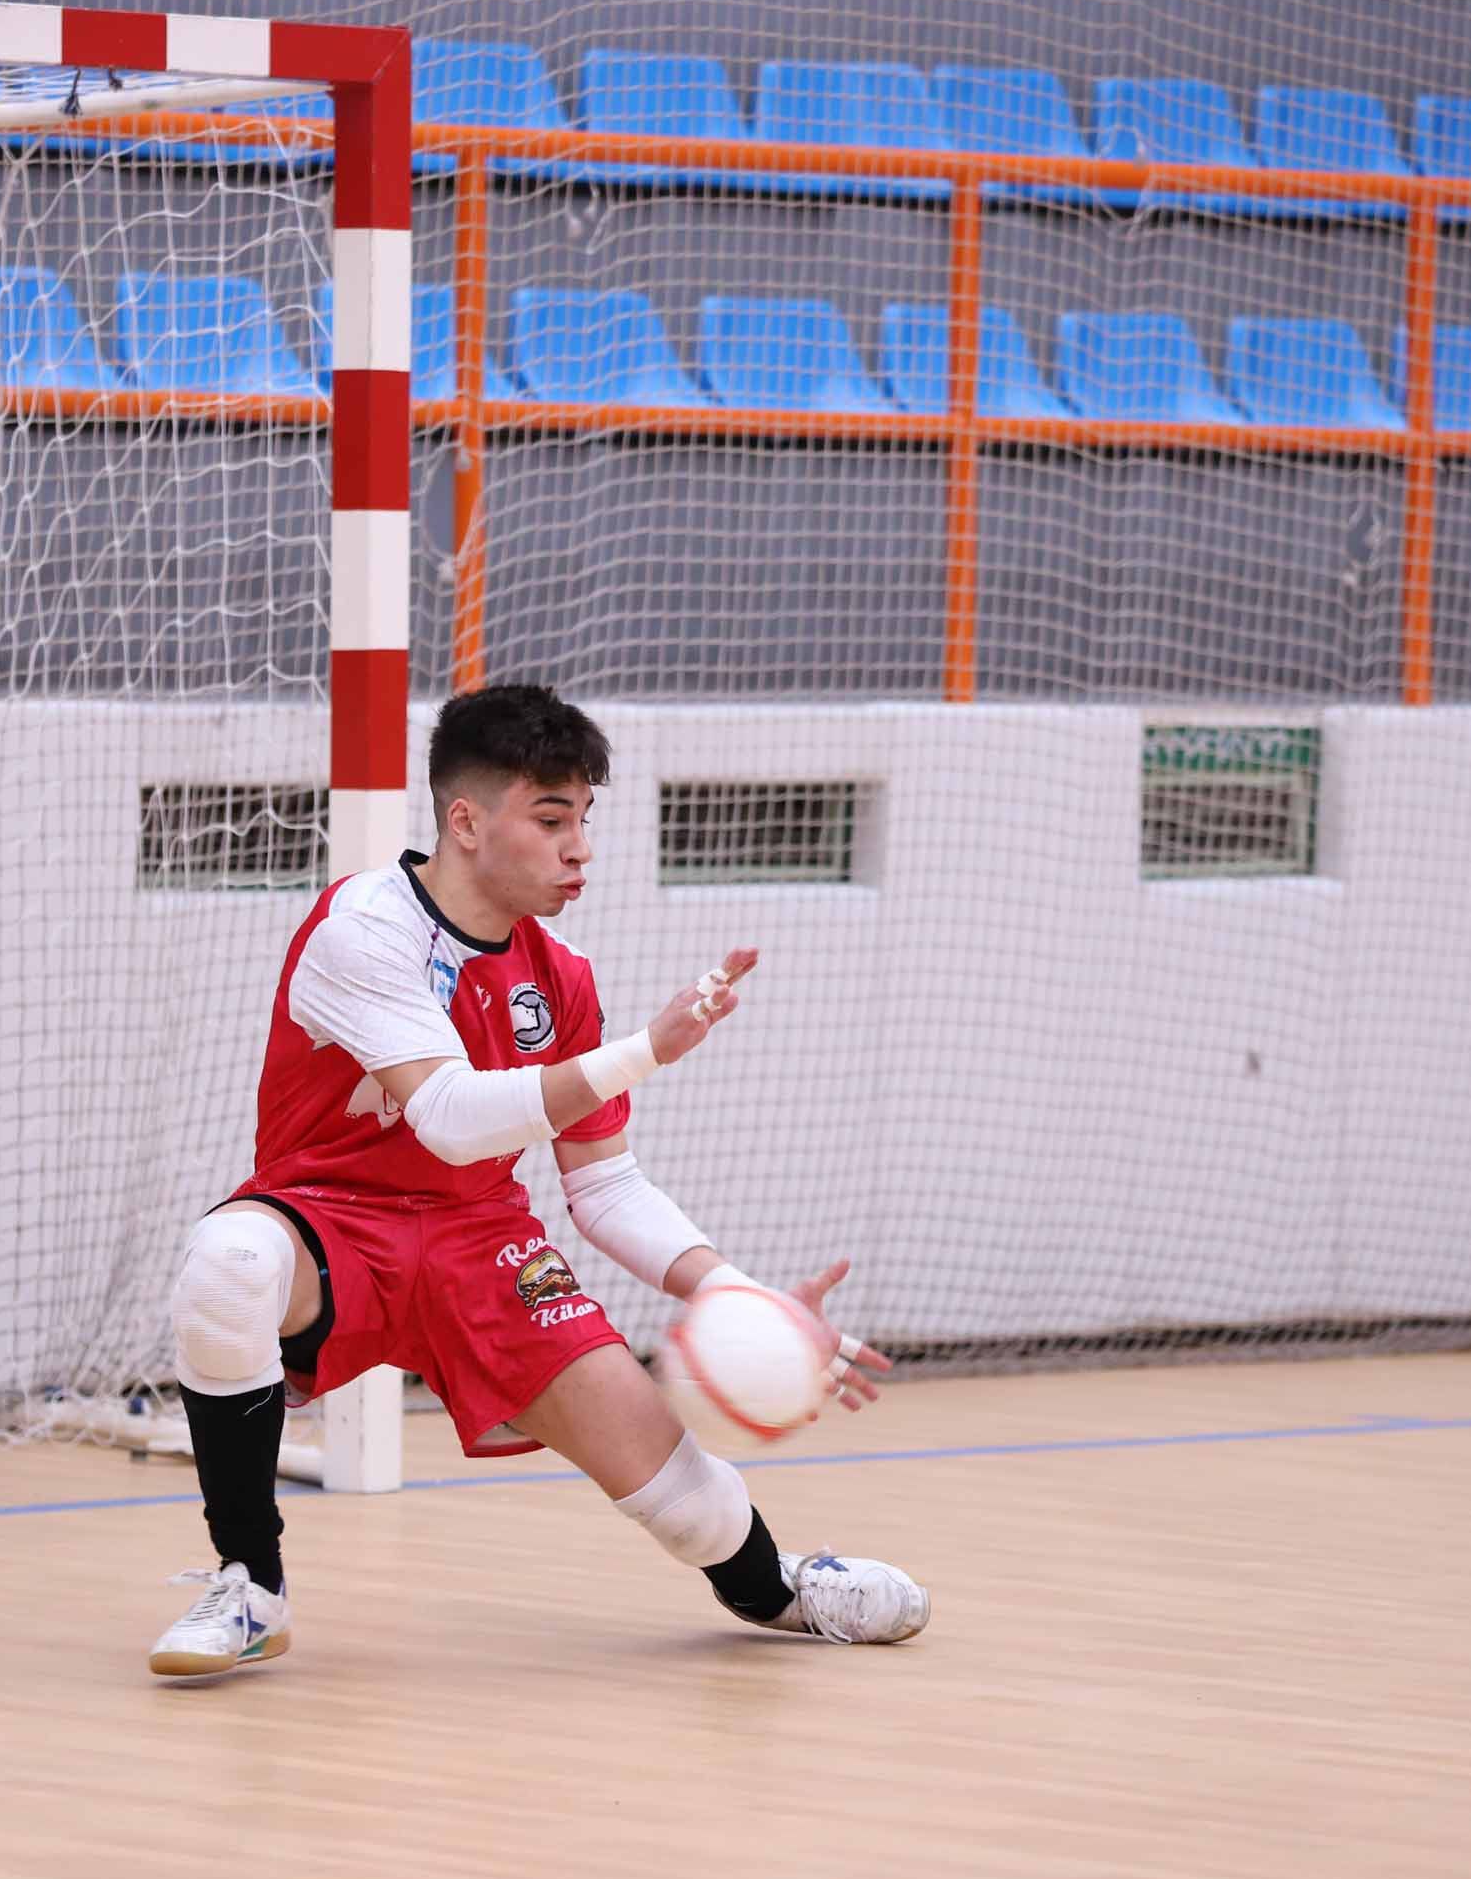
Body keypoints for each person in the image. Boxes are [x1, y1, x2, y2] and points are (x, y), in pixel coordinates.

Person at [148, 684, 929, 1677]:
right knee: (227, 1259)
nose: (579, 847)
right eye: (551, 818)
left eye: (585, 820)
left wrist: (731, 1289)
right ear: (466, 820)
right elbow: (453, 1115)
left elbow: (603, 1186)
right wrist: (648, 1048)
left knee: (682, 1493)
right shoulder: (364, 925)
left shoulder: (560, 974)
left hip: (481, 1240)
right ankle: (249, 1583)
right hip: (331, 1217)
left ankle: (780, 1589)